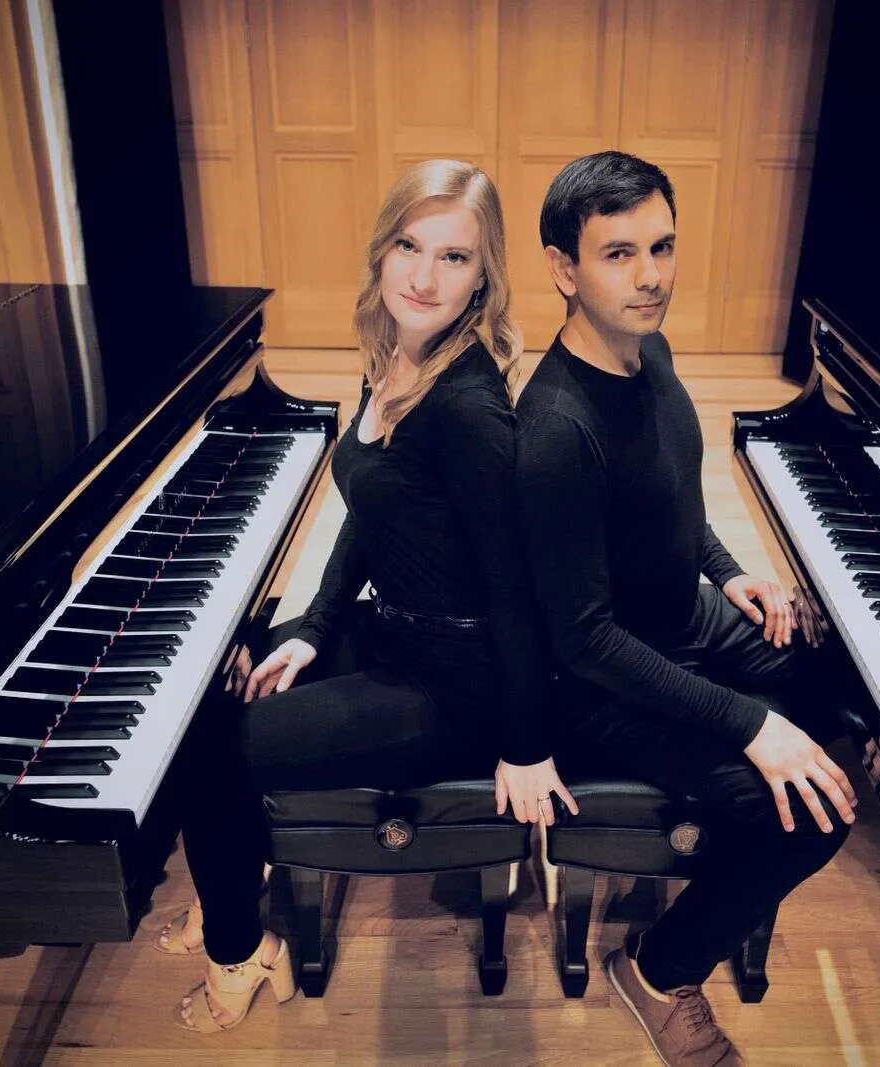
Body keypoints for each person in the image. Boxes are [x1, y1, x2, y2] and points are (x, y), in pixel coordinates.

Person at [161, 159, 576, 1033]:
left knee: (202, 755)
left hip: (452, 682)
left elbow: (514, 589)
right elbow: (372, 508)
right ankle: (233, 880)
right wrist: (315, 626)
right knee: (203, 693)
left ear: (484, 278)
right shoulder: (394, 356)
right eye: (408, 245)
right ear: (382, 251)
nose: (424, 276)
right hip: (394, 628)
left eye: (455, 258)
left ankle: (239, 957)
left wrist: (524, 742)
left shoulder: (466, 411)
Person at [514, 151, 859, 1066]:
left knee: (846, 685)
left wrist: (728, 567)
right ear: (562, 269)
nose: (653, 275)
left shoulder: (650, 352)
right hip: (597, 679)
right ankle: (661, 968)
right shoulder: (555, 429)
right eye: (619, 254)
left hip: (680, 616)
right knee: (819, 813)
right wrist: (749, 724)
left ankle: (727, 874)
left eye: (662, 247)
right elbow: (584, 639)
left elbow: (673, 495)